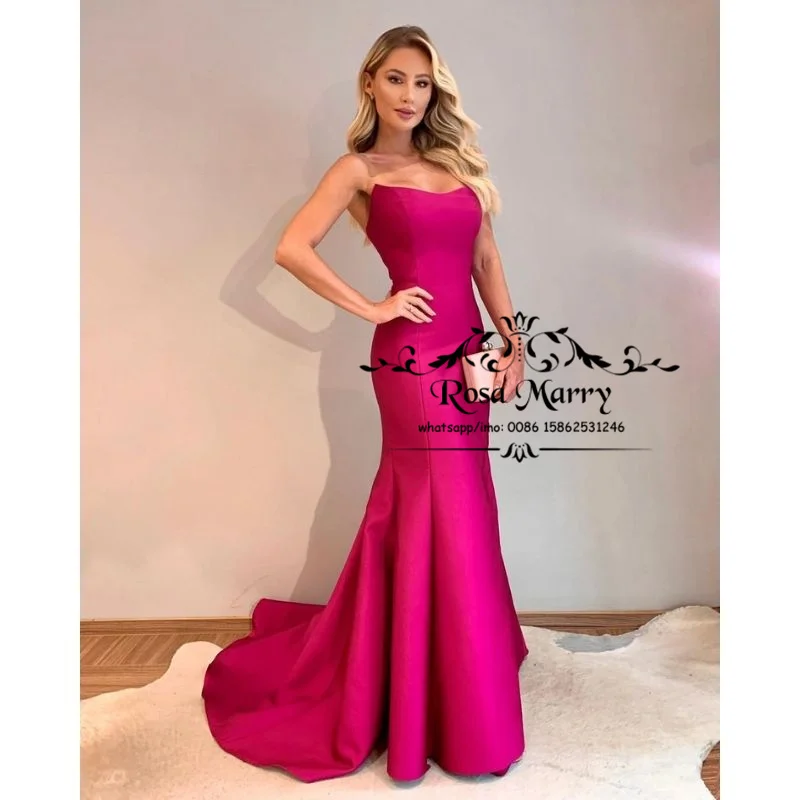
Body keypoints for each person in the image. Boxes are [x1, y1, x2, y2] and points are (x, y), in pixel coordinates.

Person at [202, 25, 528, 784]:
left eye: (423, 82)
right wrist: (373, 306)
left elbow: (485, 259)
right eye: (397, 79)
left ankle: (455, 681)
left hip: (470, 355)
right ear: (371, 84)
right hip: (410, 359)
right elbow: (291, 248)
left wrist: (514, 343)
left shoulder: (457, 168)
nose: (410, 95)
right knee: (433, 500)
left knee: (467, 502)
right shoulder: (357, 170)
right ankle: (436, 703)